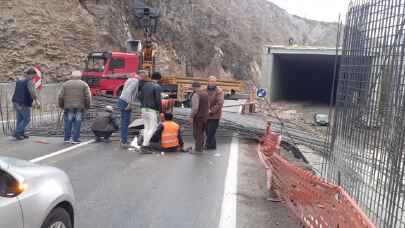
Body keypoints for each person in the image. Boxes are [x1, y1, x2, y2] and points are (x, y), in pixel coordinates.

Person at [58, 70, 92, 144]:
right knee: (77, 123)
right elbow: (88, 97)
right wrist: (87, 106)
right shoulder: (84, 84)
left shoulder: (65, 84)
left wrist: (61, 105)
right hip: (79, 108)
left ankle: (67, 138)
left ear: (71, 76)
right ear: (80, 77)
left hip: (68, 107)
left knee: (68, 122)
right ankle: (75, 139)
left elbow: (60, 96)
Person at [11, 68, 41, 140]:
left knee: (20, 119)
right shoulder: (29, 81)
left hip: (15, 101)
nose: (34, 77)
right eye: (34, 76)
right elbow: (32, 92)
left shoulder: (19, 81)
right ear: (31, 74)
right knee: (27, 119)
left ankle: (21, 133)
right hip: (23, 102)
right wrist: (36, 100)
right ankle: (17, 132)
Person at [117, 75, 142, 148]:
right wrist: (129, 104)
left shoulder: (129, 80)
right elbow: (129, 91)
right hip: (125, 101)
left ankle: (123, 139)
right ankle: (124, 142)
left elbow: (126, 90)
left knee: (123, 121)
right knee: (125, 122)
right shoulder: (136, 81)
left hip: (121, 100)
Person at [139, 72, 162, 150]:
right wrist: (159, 111)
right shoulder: (157, 87)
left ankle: (146, 143)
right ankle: (145, 146)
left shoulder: (145, 85)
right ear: (158, 79)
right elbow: (158, 100)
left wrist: (142, 106)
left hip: (143, 109)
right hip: (151, 110)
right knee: (153, 128)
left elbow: (140, 97)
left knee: (146, 127)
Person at [188, 81, 209, 153]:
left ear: (194, 87)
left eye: (192, 87)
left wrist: (191, 117)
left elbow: (195, 108)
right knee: (201, 132)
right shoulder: (205, 94)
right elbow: (207, 106)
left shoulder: (196, 95)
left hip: (198, 117)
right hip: (205, 117)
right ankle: (200, 147)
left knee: (197, 133)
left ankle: (198, 149)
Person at [206, 76, 224, 150]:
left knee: (211, 131)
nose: (212, 83)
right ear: (208, 81)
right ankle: (212, 146)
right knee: (207, 131)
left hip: (215, 116)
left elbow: (220, 103)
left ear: (216, 82)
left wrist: (211, 111)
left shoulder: (219, 91)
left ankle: (207, 145)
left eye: (213, 81)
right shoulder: (204, 90)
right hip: (206, 115)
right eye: (211, 81)